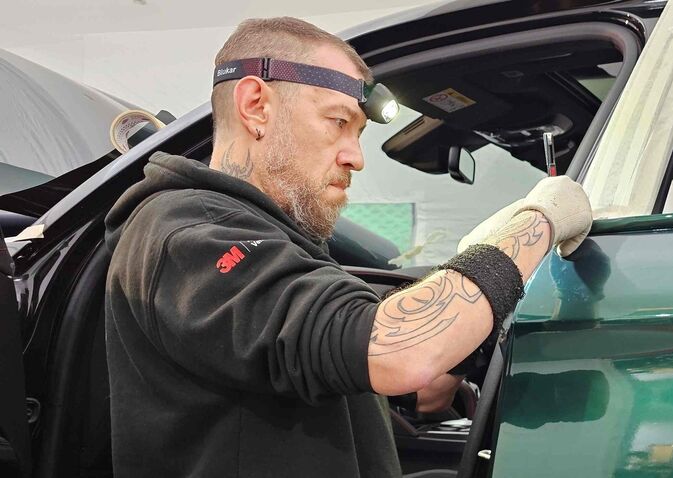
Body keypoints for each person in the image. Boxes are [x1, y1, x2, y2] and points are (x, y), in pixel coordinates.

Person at [103, 17, 592, 478]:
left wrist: (447, 367)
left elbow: (373, 365)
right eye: (338, 121)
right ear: (256, 105)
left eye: (358, 132)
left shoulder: (278, 239)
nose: (356, 157)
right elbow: (397, 351)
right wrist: (538, 222)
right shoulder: (188, 233)